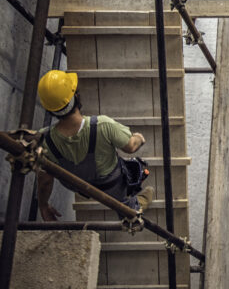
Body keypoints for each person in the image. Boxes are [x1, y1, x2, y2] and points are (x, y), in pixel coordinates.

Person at [36, 70, 154, 221]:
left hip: (81, 188)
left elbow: (45, 182)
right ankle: (134, 207)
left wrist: (43, 206)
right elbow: (130, 147)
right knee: (133, 174)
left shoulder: (45, 141)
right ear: (76, 97)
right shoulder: (103, 126)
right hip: (111, 187)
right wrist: (139, 138)